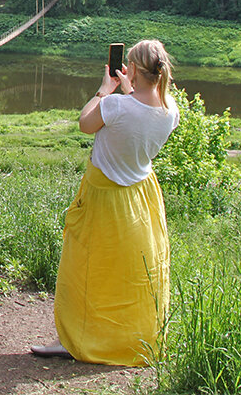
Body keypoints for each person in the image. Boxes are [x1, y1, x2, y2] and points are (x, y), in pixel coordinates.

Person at [31, 39, 179, 366]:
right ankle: (135, 341)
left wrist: (104, 90)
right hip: (141, 198)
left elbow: (86, 123)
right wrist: (130, 88)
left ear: (136, 70)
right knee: (131, 273)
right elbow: (138, 115)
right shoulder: (171, 111)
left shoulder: (116, 106)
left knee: (84, 268)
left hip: (102, 194)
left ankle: (73, 340)